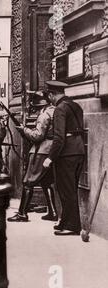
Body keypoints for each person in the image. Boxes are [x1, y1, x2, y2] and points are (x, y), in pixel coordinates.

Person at [43, 80, 85, 236]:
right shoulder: (76, 106)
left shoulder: (59, 109)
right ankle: (65, 222)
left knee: (66, 190)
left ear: (53, 94)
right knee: (70, 188)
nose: (50, 99)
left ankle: (72, 226)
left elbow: (59, 138)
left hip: (66, 154)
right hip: (79, 151)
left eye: (49, 96)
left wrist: (50, 158)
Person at [8, 92, 58, 222]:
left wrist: (24, 130)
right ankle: (52, 212)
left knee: (28, 182)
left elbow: (38, 136)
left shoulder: (44, 114)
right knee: (46, 182)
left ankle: (22, 214)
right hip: (51, 150)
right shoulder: (54, 111)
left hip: (40, 151)